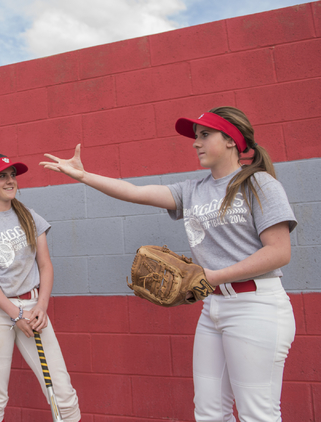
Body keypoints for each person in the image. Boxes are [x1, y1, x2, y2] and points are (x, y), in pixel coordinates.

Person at [40, 106, 297, 421]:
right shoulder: (193, 190)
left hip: (256, 306)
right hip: (213, 307)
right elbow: (135, 192)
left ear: (231, 140)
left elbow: (278, 252)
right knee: (209, 411)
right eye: (196, 136)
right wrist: (83, 176)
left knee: (258, 413)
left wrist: (213, 275)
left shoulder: (258, 184)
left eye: (205, 135)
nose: (195, 142)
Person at [0, 154, 81, 422]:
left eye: (12, 175)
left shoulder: (30, 216)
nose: (10, 180)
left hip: (33, 309)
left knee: (63, 393)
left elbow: (45, 265)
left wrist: (42, 305)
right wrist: (14, 313)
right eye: (2, 176)